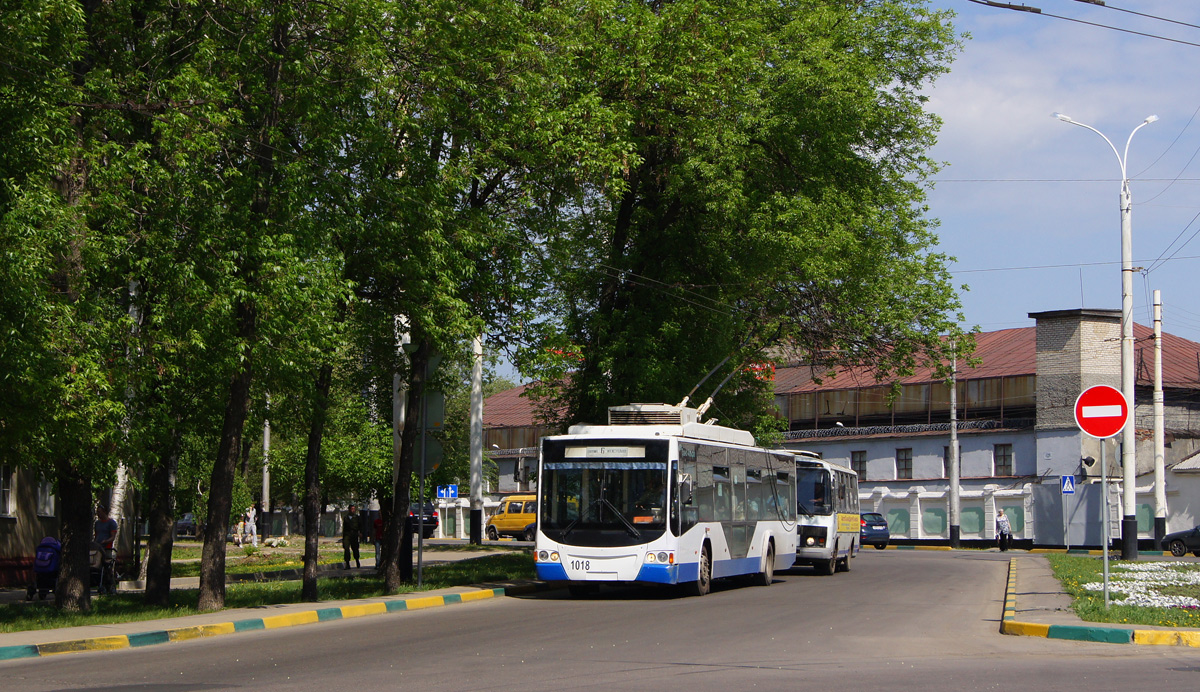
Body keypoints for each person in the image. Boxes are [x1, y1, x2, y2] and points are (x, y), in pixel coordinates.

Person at [343, 504, 362, 569]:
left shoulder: (357, 517)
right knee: (346, 548)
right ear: (349, 509)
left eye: (354, 509)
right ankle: (347, 563)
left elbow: (360, 526)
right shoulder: (346, 517)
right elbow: (344, 527)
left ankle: (357, 561)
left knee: (355, 548)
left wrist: (360, 533)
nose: (353, 510)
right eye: (351, 509)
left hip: (354, 534)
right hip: (347, 534)